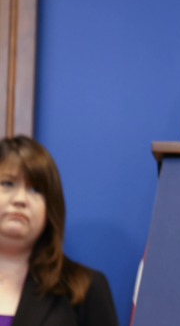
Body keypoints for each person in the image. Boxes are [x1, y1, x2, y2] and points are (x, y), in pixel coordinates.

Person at [0, 136, 118, 326]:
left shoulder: (85, 287)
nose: (20, 199)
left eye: (35, 189)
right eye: (7, 184)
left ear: (50, 208)